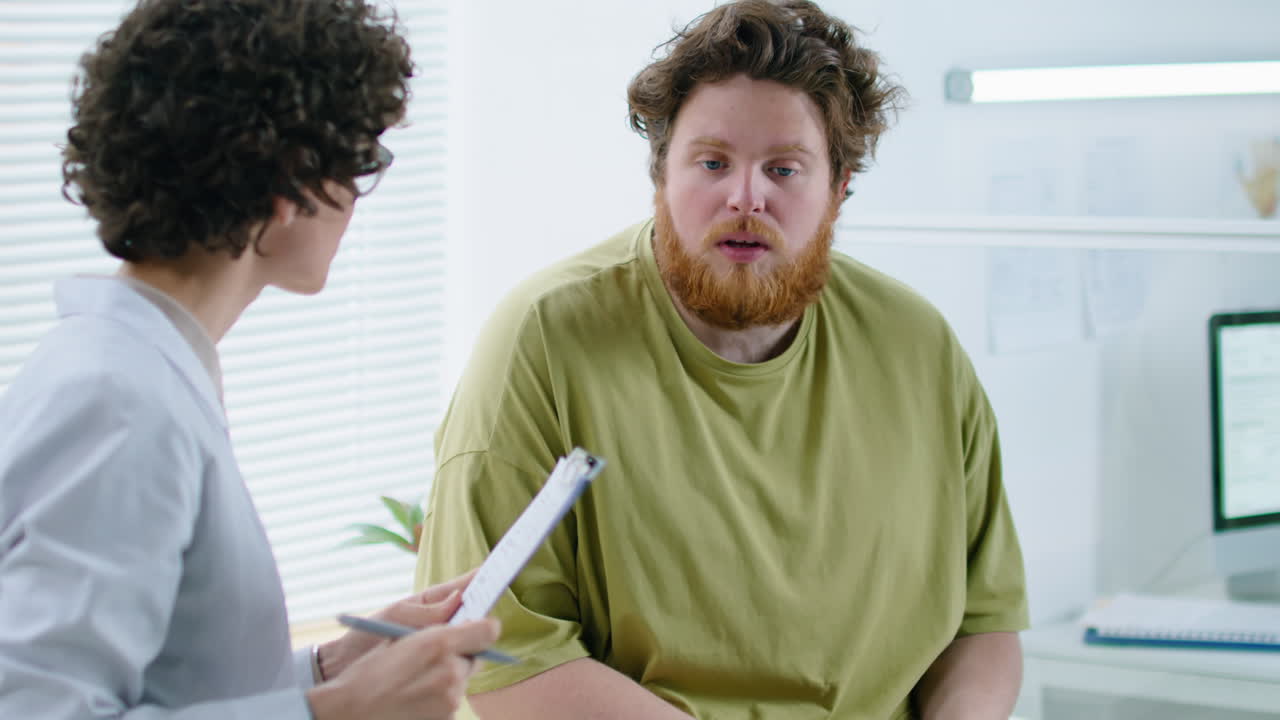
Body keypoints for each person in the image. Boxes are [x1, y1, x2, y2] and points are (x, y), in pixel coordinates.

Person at [415, 0, 1029, 718]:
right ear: (661, 177)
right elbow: (500, 659)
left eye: (784, 169)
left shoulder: (918, 347)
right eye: (712, 162)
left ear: (840, 187)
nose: (747, 197)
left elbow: (985, 621)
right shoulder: (543, 342)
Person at [0, 1, 499, 718]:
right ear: (290, 184)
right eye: (362, 161)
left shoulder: (135, 367)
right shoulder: (118, 402)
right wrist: (335, 713)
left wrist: (328, 670)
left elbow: (173, 682)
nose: (359, 198)